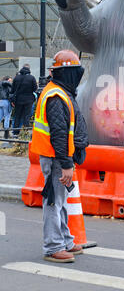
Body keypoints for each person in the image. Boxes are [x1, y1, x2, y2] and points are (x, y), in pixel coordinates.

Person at [31, 50, 89, 263]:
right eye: (75, 71)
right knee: (54, 202)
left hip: (59, 157)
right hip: (56, 157)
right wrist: (66, 164)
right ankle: (53, 246)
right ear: (66, 73)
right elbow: (59, 134)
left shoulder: (60, 92)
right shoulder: (56, 96)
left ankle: (65, 240)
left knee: (61, 201)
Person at [10, 64, 37, 136]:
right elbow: (35, 89)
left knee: (17, 116)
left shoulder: (16, 78)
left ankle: (15, 132)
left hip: (18, 99)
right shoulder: (32, 78)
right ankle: (25, 132)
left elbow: (12, 90)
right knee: (26, 116)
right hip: (28, 100)